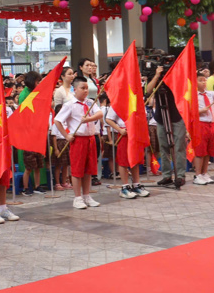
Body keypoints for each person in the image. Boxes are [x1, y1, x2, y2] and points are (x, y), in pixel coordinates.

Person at [53, 79, 102, 210]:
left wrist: (89, 119)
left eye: (87, 88)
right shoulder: (70, 105)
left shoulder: (90, 102)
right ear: (75, 89)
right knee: (77, 170)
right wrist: (66, 135)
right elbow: (57, 120)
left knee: (88, 170)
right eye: (82, 88)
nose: (86, 91)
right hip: (78, 140)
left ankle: (87, 196)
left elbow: (100, 113)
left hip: (90, 139)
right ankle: (77, 198)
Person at [144, 66, 185, 186]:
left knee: (179, 146)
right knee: (163, 147)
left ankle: (180, 176)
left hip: (177, 115)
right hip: (161, 117)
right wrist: (157, 75)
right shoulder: (154, 77)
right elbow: (148, 91)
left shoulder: (176, 74)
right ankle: (167, 175)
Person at [103, 100, 150, 199]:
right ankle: (125, 187)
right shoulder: (118, 102)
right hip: (124, 134)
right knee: (123, 161)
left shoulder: (137, 100)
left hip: (136, 133)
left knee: (135, 160)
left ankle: (136, 184)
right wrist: (119, 129)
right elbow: (108, 119)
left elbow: (142, 117)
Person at [16, 71, 45, 196]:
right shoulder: (24, 94)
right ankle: (26, 187)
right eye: (38, 81)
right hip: (28, 133)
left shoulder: (36, 93)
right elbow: (23, 114)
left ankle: (38, 186)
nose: (39, 83)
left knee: (38, 163)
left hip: (37, 132)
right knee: (29, 165)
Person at [193, 75, 214, 185]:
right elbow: (189, 112)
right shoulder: (193, 95)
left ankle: (204, 173)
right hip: (200, 124)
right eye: (200, 80)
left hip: (211, 124)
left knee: (208, 150)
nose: (204, 82)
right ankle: (197, 175)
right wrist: (200, 111)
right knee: (200, 151)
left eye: (205, 80)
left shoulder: (210, 93)